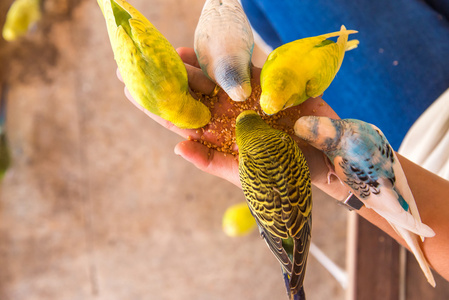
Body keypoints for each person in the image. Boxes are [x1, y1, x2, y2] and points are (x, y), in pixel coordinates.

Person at [117, 47, 449, 282]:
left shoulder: (268, 159)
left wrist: (331, 174)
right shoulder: (274, 155)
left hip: (425, 136)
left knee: (264, 9)